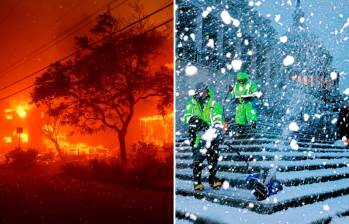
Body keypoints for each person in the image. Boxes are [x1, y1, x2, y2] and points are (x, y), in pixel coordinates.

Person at [182, 82, 224, 191]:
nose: (202, 93)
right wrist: (193, 120)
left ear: (207, 91)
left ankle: (213, 179)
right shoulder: (191, 104)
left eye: (203, 91)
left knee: (213, 159)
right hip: (197, 137)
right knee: (197, 160)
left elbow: (218, 117)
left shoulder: (214, 104)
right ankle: (197, 182)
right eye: (200, 91)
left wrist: (216, 127)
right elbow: (185, 116)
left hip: (212, 135)